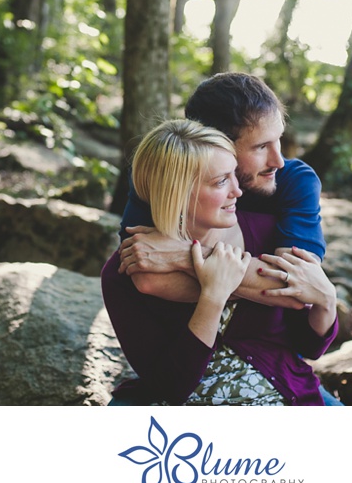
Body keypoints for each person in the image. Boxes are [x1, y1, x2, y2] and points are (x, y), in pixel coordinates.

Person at [101, 119, 339, 405]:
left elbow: (308, 346)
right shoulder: (123, 273)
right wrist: (212, 297)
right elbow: (171, 386)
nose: (237, 191)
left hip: (283, 394)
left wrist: (327, 302)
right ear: (177, 194)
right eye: (221, 181)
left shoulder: (267, 234)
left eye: (234, 176)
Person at [118, 72, 326, 309]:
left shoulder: (297, 180)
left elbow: (298, 291)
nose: (278, 161)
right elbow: (147, 277)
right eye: (260, 147)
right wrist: (256, 283)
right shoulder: (166, 175)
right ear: (216, 144)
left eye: (277, 139)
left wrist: (185, 255)